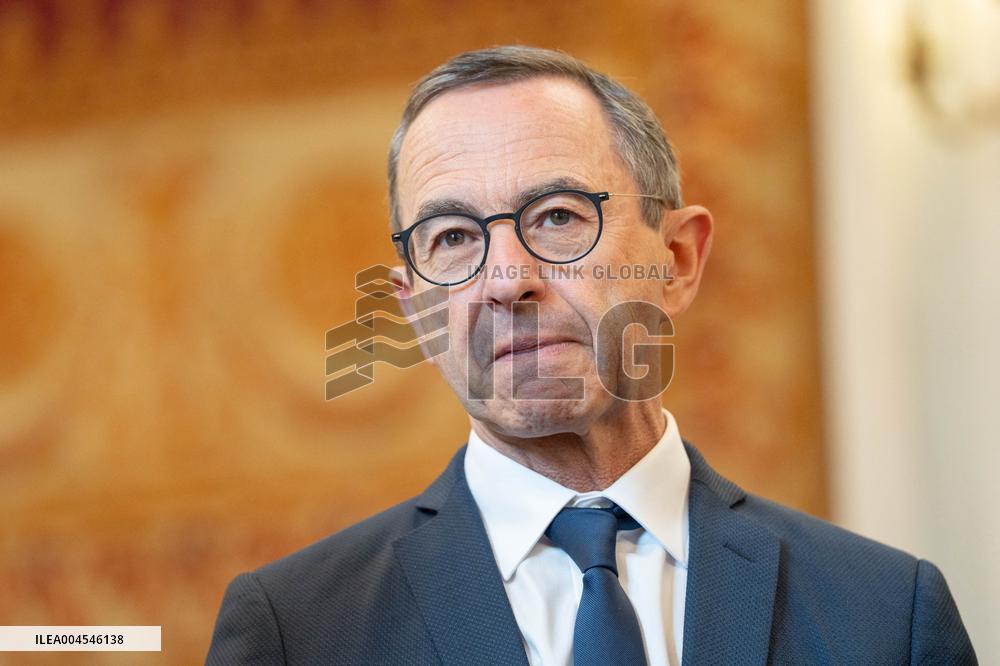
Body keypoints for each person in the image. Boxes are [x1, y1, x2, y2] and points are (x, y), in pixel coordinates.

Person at [206, 46, 976, 665]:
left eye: (557, 217)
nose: (507, 280)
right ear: (414, 310)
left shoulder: (885, 616)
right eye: (452, 238)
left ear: (676, 259)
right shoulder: (297, 633)